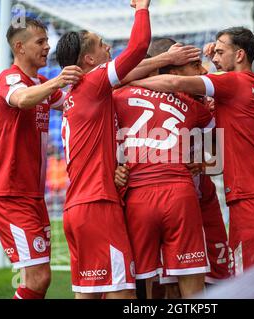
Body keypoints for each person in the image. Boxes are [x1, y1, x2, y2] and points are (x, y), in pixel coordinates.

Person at [130, 27, 254, 274]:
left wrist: (128, 81)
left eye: (219, 52)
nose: (213, 59)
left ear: (239, 55)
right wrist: (218, 60)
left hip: (250, 205)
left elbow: (175, 82)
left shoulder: (233, 82)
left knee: (247, 288)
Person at [55, 0, 155, 299]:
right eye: (100, 44)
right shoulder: (94, 82)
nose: (107, 47)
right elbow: (138, 48)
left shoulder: (76, 93)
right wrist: (142, 8)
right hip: (98, 205)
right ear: (87, 59)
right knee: (123, 295)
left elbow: (132, 69)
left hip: (77, 208)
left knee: (88, 295)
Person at [0, 17, 83, 300]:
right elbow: (22, 99)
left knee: (39, 279)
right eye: (40, 42)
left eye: (47, 41)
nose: (47, 47)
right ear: (19, 47)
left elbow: (71, 102)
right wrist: (58, 80)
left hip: (32, 194)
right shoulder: (9, 79)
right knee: (38, 277)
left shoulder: (39, 82)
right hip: (10, 194)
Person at [113, 38, 216, 299]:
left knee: (142, 287)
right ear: (174, 70)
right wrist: (206, 159)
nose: (202, 71)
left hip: (139, 197)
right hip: (181, 196)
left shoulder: (116, 95)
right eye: (194, 65)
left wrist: (114, 168)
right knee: (192, 290)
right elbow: (220, 152)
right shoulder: (194, 106)